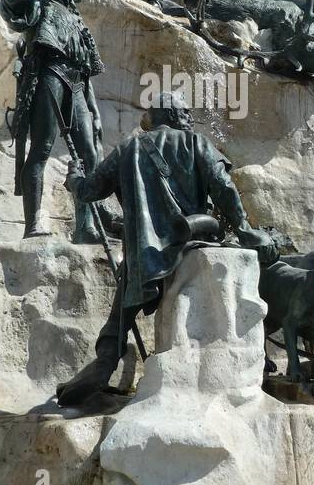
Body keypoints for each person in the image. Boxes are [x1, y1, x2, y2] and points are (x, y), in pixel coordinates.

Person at [57, 92, 277, 406]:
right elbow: (223, 185)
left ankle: (106, 360)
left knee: (122, 311)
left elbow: (90, 190)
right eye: (185, 111)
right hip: (190, 239)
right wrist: (242, 227)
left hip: (144, 254)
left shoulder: (128, 148)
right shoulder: (195, 143)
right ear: (172, 114)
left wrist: (74, 177)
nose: (189, 116)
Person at [0, 0, 106, 242]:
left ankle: (84, 225)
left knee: (90, 153)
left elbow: (87, 68)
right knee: (41, 149)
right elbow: (7, 3)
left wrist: (94, 107)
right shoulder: (39, 2)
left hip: (76, 80)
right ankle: (33, 223)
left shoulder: (75, 17)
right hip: (48, 73)